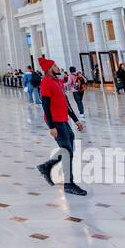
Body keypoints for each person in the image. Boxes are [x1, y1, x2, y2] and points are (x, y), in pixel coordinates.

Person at [35, 59, 86, 196]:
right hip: (55, 121)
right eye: (55, 66)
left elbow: (66, 102)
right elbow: (45, 105)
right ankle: (68, 184)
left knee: (69, 148)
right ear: (49, 68)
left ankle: (46, 167)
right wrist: (51, 126)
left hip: (64, 119)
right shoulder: (45, 82)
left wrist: (76, 120)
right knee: (67, 151)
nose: (58, 67)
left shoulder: (58, 82)